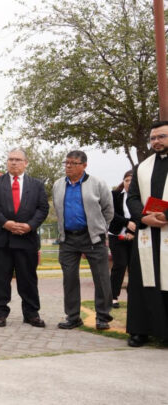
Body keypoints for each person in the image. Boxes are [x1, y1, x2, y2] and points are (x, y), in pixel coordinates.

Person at [0, 148, 49, 328]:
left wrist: (30, 225)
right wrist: (6, 223)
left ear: (26, 163)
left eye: (18, 160)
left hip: (26, 239)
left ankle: (31, 314)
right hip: (2, 239)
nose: (13, 162)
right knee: (0, 279)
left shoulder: (37, 185)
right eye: (11, 159)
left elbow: (43, 209)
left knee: (28, 279)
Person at [52, 151, 114, 330]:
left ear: (84, 165)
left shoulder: (97, 183)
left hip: (92, 237)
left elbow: (108, 210)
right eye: (66, 163)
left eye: (73, 163)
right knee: (69, 278)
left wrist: (99, 229)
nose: (68, 166)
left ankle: (102, 317)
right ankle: (73, 317)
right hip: (68, 239)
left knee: (101, 278)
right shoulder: (58, 185)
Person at [124, 121, 168, 347]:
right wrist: (142, 218)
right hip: (147, 236)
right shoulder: (142, 167)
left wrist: (165, 215)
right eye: (153, 138)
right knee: (142, 283)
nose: (156, 141)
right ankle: (140, 330)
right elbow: (132, 197)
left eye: (161, 137)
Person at [108, 170, 135, 309]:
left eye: (132, 180)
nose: (129, 183)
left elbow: (141, 214)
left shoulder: (140, 197)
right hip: (116, 236)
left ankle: (134, 297)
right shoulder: (114, 195)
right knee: (119, 265)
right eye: (126, 180)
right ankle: (113, 297)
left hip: (135, 237)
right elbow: (110, 213)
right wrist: (126, 223)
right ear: (123, 181)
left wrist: (131, 231)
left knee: (134, 267)